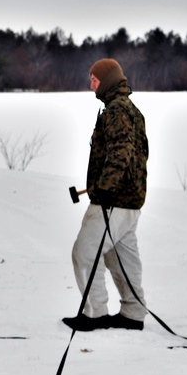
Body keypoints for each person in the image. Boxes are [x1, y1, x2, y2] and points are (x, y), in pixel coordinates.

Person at [63, 58, 149, 333]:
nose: (91, 84)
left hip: (113, 201)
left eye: (95, 79)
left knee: (84, 253)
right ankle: (133, 314)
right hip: (130, 201)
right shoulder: (129, 109)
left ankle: (95, 313)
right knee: (120, 258)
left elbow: (121, 153)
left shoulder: (116, 111)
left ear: (108, 80)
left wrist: (105, 189)